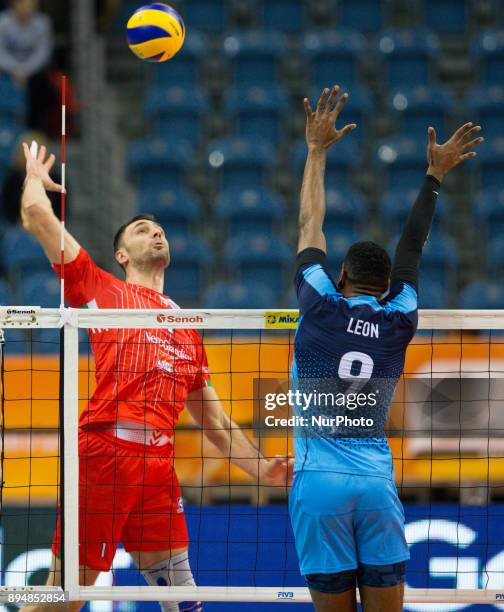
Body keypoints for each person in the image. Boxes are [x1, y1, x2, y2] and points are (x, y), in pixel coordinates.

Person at [19, 143, 293, 612]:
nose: (157, 233)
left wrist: (261, 468)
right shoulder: (102, 289)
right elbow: (34, 216)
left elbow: (217, 423)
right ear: (123, 254)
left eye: (160, 229)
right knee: (64, 597)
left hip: (158, 468)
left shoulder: (186, 324)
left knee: (186, 603)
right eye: (144, 230)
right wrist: (33, 180)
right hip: (105, 455)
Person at [288, 86, 484, 612]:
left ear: (342, 275)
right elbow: (412, 250)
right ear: (385, 286)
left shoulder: (319, 303)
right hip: (375, 482)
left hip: (319, 483)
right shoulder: (401, 319)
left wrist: (316, 151)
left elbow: (311, 225)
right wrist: (434, 176)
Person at [0, 0, 53, 131]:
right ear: (15, 5)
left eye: (33, 5)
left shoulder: (43, 23)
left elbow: (43, 53)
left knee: (45, 83)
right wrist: (15, 69)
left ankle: (37, 129)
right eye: (26, 4)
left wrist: (25, 71)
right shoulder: (3, 22)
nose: (30, 9)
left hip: (33, 73)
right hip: (6, 70)